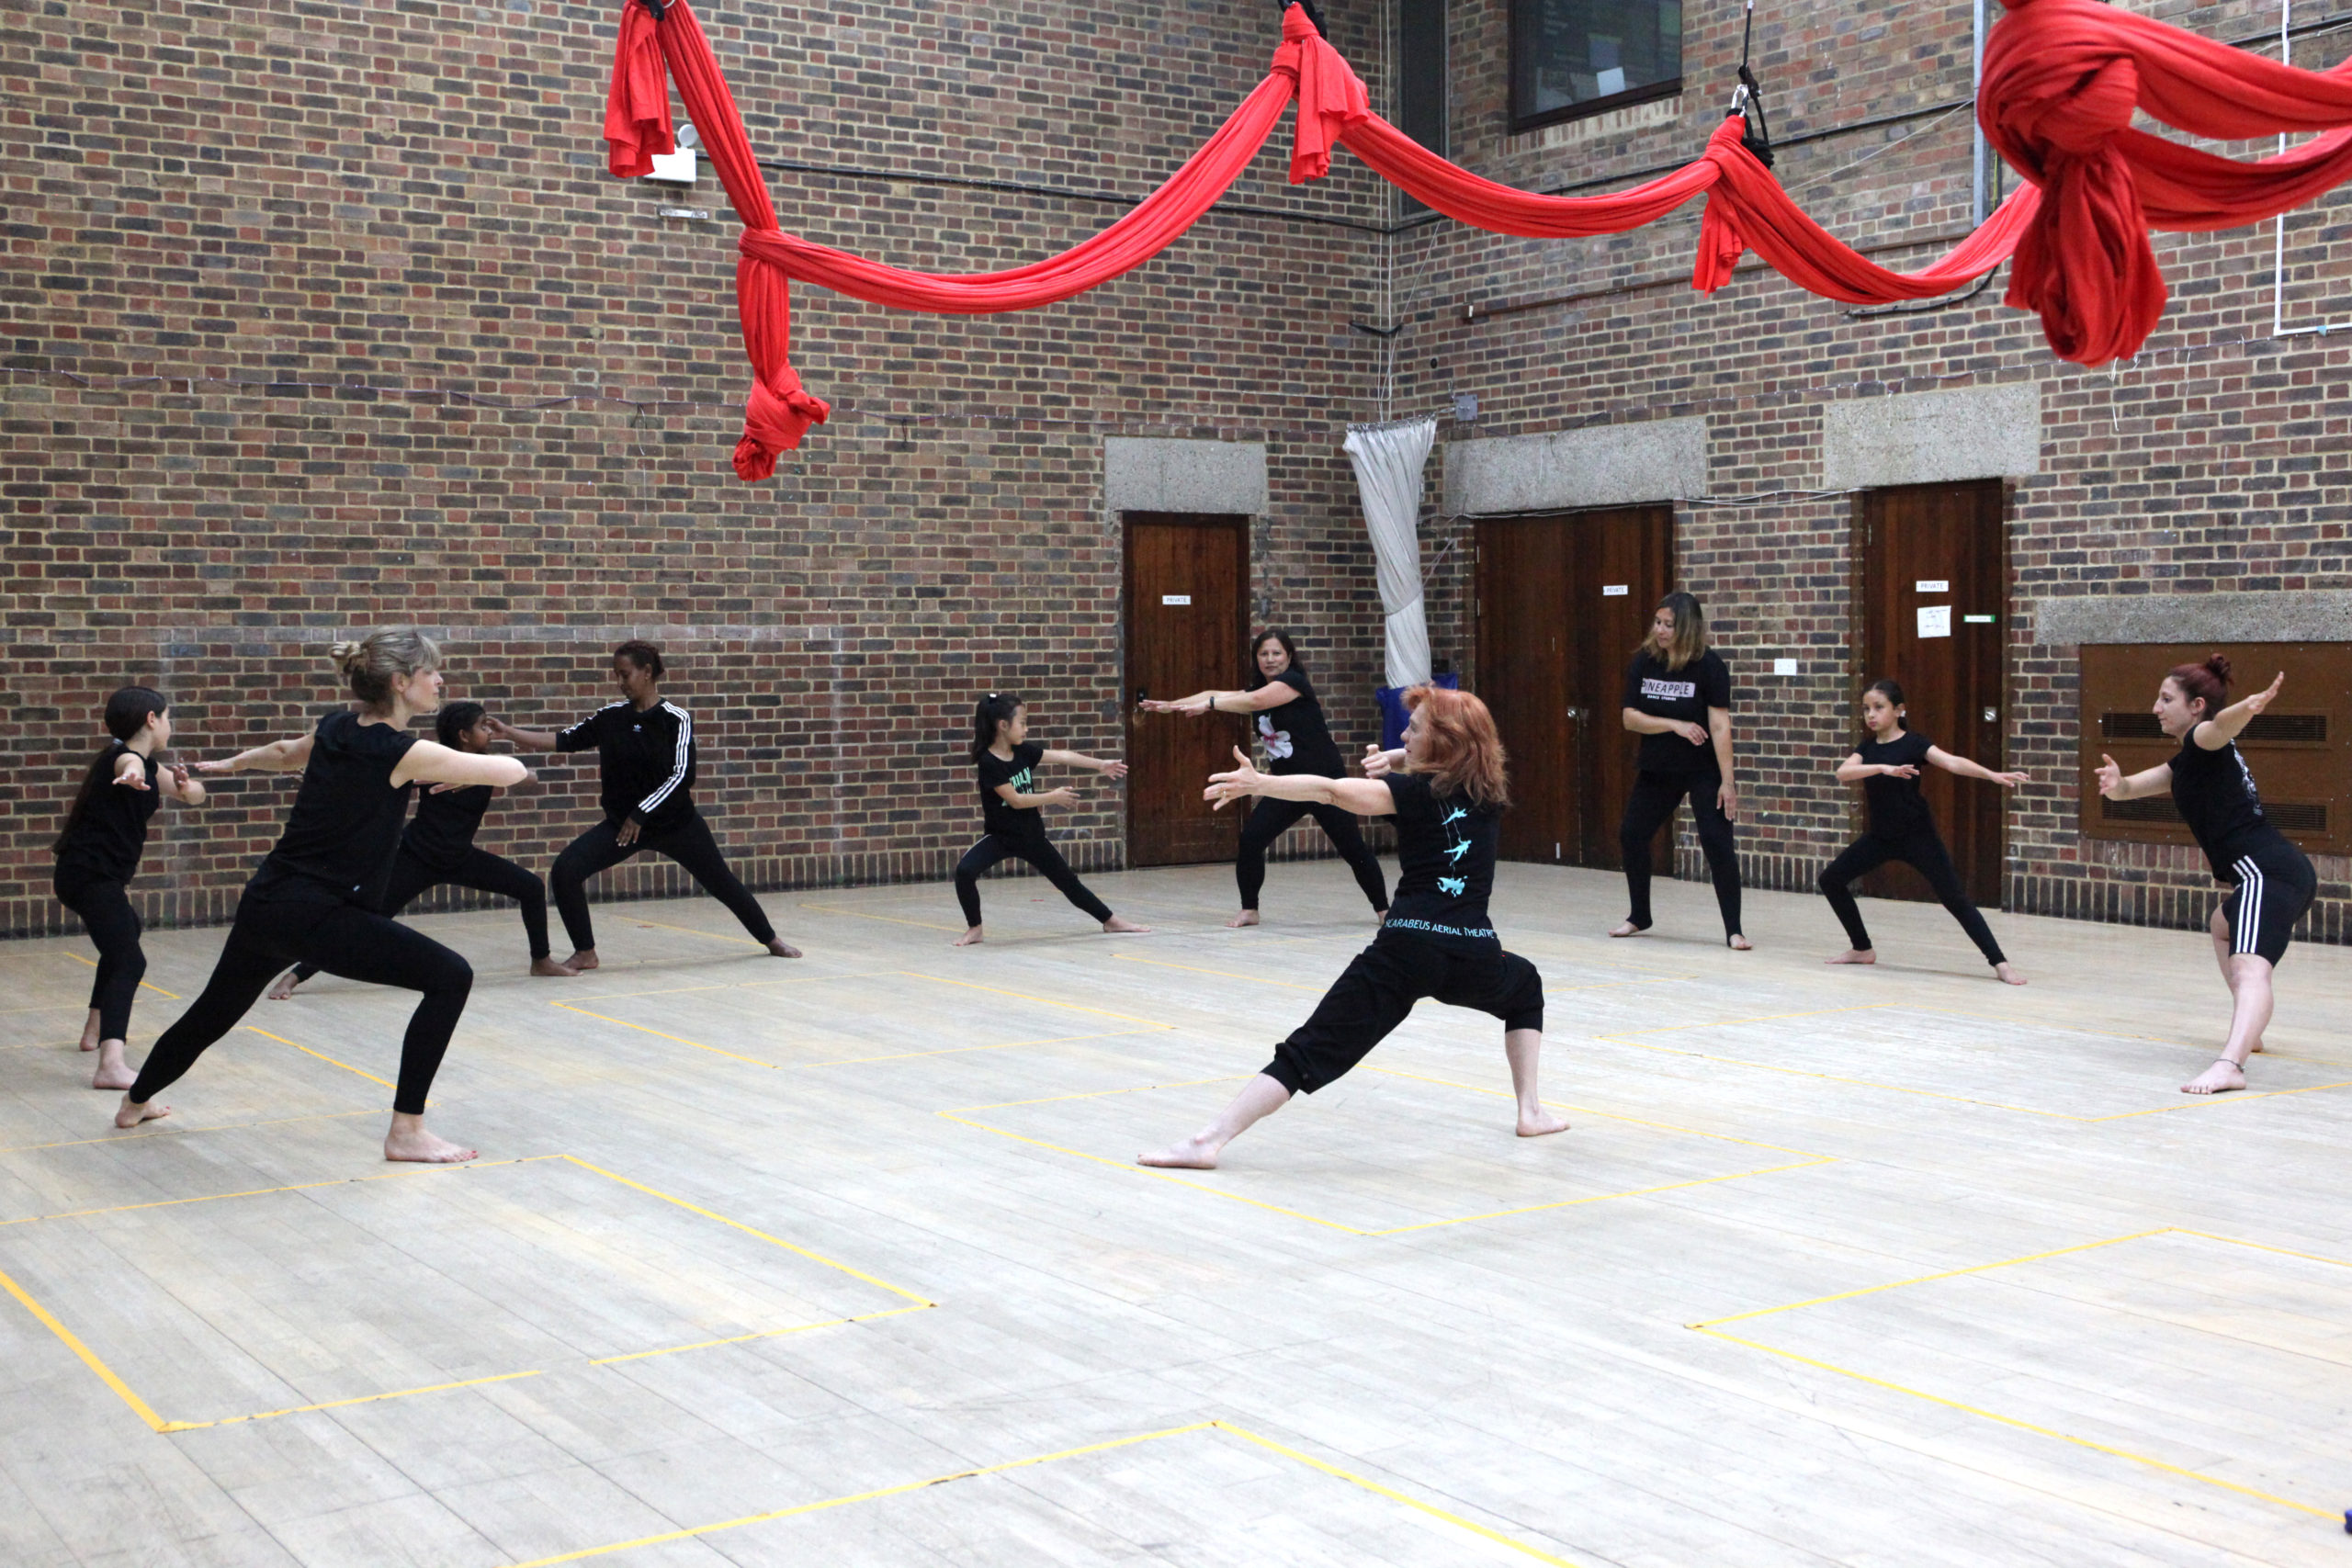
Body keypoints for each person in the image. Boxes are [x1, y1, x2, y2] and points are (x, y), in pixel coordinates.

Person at [115, 630, 524, 1162]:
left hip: (269, 898)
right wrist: (454, 772)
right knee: (450, 976)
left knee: (213, 1012)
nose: (440, 680)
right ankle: (406, 1132)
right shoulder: (404, 751)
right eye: (432, 672)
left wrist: (230, 766)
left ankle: (135, 1101)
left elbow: (286, 753)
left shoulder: (337, 727)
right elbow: (510, 770)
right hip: (316, 910)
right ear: (402, 683)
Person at [1139, 685, 1567, 1169]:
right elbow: (1445, 764)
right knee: (1524, 986)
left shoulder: (1408, 794)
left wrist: (1261, 783)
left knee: (1309, 1049)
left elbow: (1331, 791)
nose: (1404, 733)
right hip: (1474, 953)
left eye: (1415, 728)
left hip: (1407, 950)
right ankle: (1529, 1111)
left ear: (1442, 741)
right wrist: (1400, 756)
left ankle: (1206, 1142)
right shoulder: (1487, 797)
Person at [487, 641, 798, 970]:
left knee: (722, 882)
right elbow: (563, 740)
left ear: (647, 672)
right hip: (623, 827)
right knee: (566, 870)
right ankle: (586, 952)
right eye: (616, 676)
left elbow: (681, 776)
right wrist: (509, 733)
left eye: (626, 674)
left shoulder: (675, 719)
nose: (620, 682)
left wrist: (641, 812)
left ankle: (770, 939)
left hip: (676, 826)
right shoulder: (610, 717)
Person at [2096, 656, 2311, 1095]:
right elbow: (2130, 791)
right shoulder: (2186, 764)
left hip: (2264, 872)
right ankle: (2249, 1028)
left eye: (2166, 698)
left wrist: (2248, 707)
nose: (2156, 707)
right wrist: (2116, 783)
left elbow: (2221, 726)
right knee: (2222, 925)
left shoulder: (2204, 739)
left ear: (2195, 706)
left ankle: (2231, 1064)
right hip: (2280, 870)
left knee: (2250, 967)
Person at [266, 701, 571, 998]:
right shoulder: (435, 762)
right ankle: (294, 976)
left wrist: (486, 768)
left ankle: (541, 961)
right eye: (482, 726)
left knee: (531, 887)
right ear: (464, 735)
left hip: (460, 857)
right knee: (363, 918)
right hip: (416, 858)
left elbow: (529, 778)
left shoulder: (486, 767)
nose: (489, 732)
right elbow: (377, 778)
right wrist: (323, 779)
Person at [1139, 630, 1389, 927]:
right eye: (1263, 654)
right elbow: (1214, 695)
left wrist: (1209, 705)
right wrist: (1172, 705)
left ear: (1289, 656)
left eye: (1276, 653)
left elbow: (1255, 701)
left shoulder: (1294, 684)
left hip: (1325, 783)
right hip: (1285, 785)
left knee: (1353, 848)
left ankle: (1385, 911)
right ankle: (1249, 909)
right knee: (1251, 839)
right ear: (1256, 659)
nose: (1270, 660)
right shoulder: (1255, 689)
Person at [1819, 679, 2029, 984]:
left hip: (1918, 836)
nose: (1871, 715)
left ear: (1899, 710)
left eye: (1879, 708)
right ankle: (1862, 949)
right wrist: (1882, 768)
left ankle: (2000, 963)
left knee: (1954, 898)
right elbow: (1842, 773)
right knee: (1830, 880)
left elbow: (1952, 763)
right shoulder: (1866, 748)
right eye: (1866, 709)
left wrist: (1991, 775)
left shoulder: (1914, 744)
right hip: (1880, 837)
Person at [51, 686, 207, 1091]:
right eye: (167, 717)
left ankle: (93, 1029)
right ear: (152, 720)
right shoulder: (123, 759)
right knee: (130, 960)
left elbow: (195, 796)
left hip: (90, 876)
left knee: (124, 938)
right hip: (89, 876)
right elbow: (128, 762)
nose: (170, 725)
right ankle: (111, 1064)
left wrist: (187, 786)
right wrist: (133, 772)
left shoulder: (149, 766)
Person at [954, 693, 1149, 945]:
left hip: (1031, 836)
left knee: (1068, 882)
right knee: (965, 872)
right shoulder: (989, 763)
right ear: (1003, 725)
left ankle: (1110, 921)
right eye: (1022, 723)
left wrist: (1100, 764)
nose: (1026, 729)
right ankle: (975, 928)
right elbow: (1015, 800)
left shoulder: (1022, 752)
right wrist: (1052, 797)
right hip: (999, 838)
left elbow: (1063, 756)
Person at [1612, 592, 1748, 948]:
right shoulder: (1645, 662)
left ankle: (1734, 929)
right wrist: (1675, 725)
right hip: (1659, 768)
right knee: (1632, 834)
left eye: (1668, 625)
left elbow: (1720, 727)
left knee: (1718, 843)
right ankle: (1639, 915)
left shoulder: (1710, 666)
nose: (1660, 630)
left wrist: (1728, 782)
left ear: (1686, 628)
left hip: (1703, 770)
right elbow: (1630, 719)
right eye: (1657, 623)